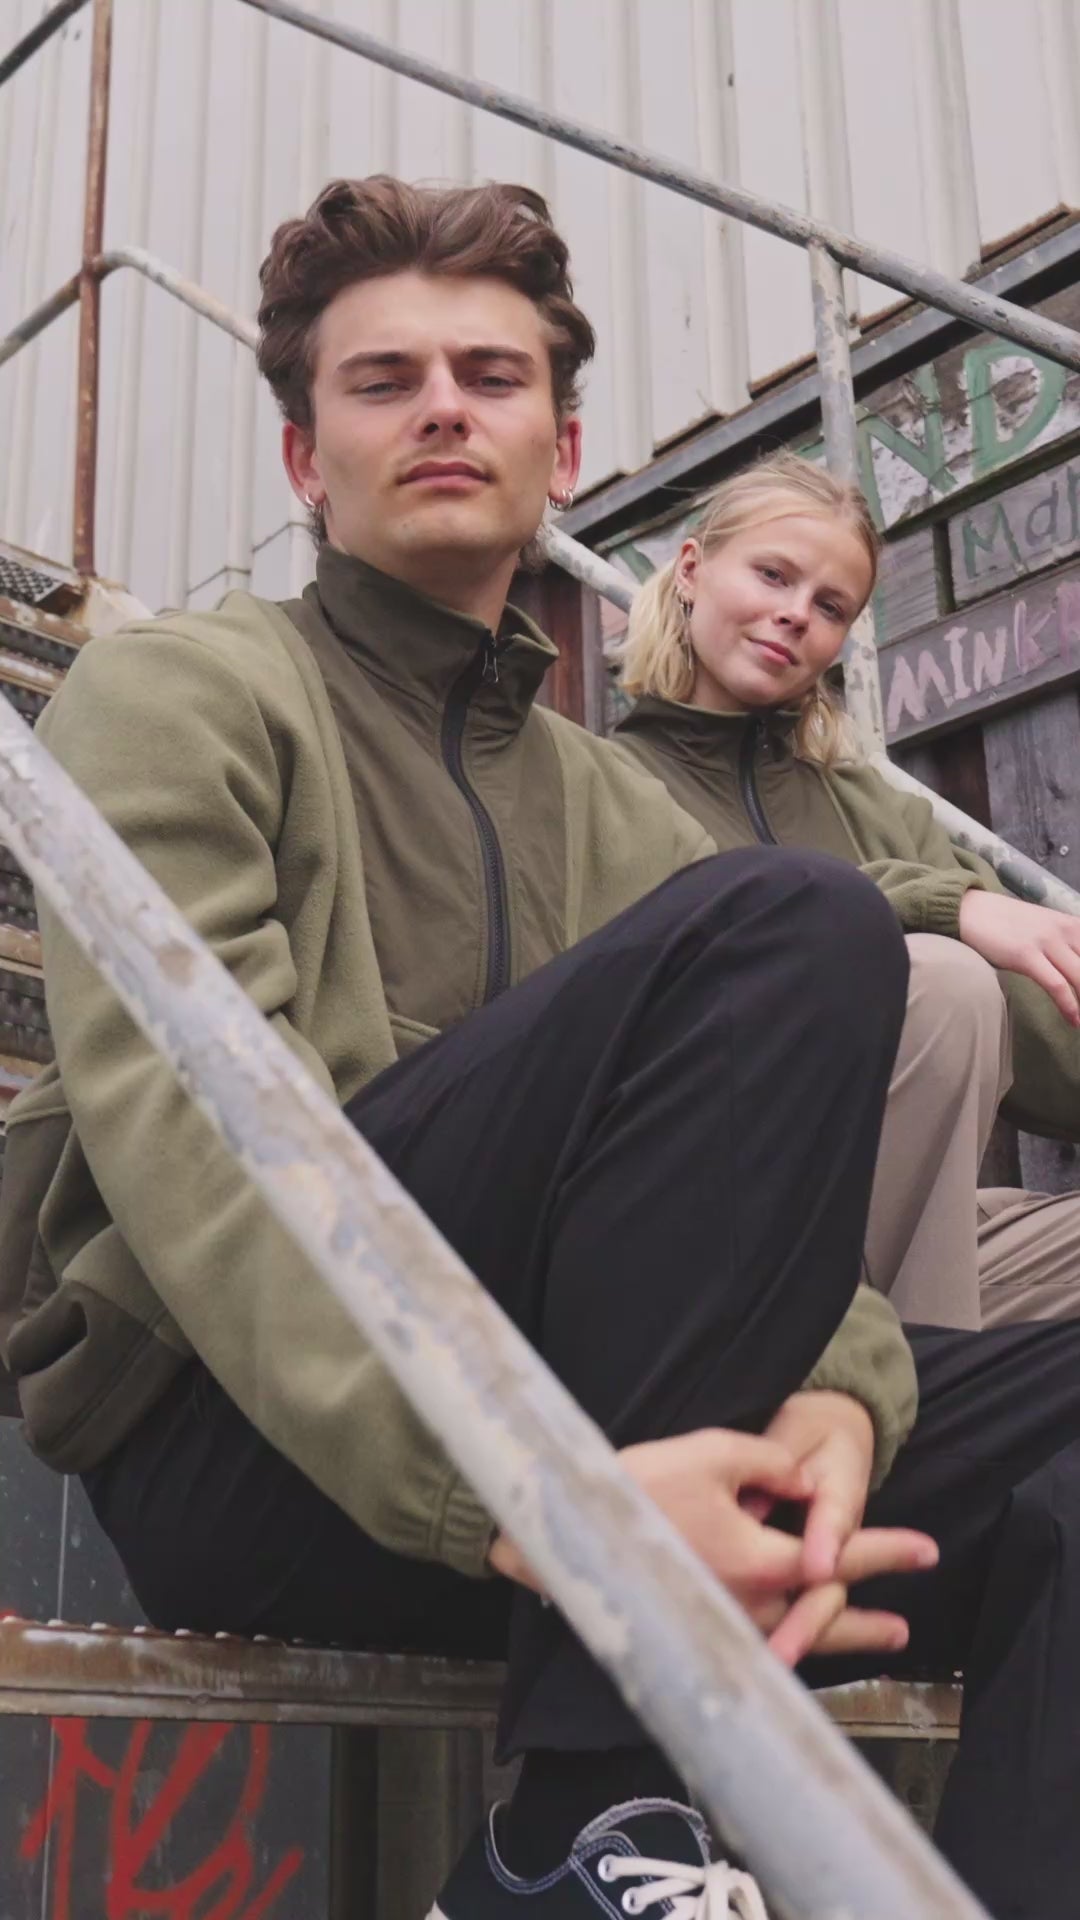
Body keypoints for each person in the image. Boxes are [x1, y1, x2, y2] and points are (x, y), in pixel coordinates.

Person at [0, 181, 1077, 1920]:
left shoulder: (614, 806)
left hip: (612, 1455)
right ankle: (576, 1826)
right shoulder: (186, 694)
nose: (443, 407)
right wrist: (540, 1502)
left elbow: (762, 1190)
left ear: (561, 452)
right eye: (385, 380)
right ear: (305, 460)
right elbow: (203, 1151)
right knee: (809, 923)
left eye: (490, 377)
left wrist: (835, 1402)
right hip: (260, 1451)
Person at [615, 450, 1080, 1334]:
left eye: (831, 607)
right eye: (773, 575)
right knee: (944, 978)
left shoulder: (871, 804)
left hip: (906, 1234)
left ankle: (914, 1369)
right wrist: (946, 906)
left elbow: (1041, 1018)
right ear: (690, 571)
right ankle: (892, 1396)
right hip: (717, 1226)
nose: (797, 613)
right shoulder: (601, 781)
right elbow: (714, 926)